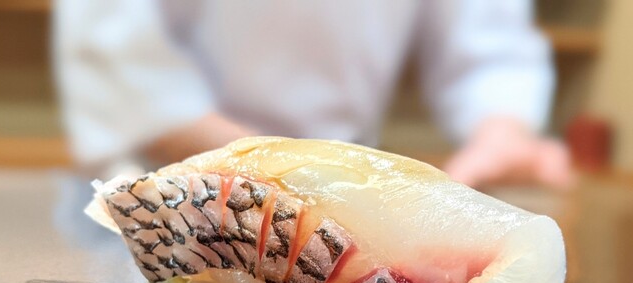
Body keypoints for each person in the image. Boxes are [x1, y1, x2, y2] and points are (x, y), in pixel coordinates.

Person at [54, 0, 571, 188]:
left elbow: (489, 48)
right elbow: (114, 55)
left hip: (342, 188)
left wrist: (501, 132)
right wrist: (280, 168)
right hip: (161, 186)